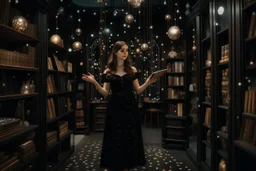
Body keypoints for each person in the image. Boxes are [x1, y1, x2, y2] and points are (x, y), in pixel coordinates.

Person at [82, 41, 158, 171]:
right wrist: (94, 81)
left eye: (127, 50)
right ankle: (116, 163)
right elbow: (105, 93)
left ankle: (128, 164)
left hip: (130, 105)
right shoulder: (108, 71)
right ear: (115, 52)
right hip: (115, 106)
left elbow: (138, 90)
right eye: (122, 50)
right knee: (116, 135)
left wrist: (148, 82)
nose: (125, 53)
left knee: (129, 134)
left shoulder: (132, 70)